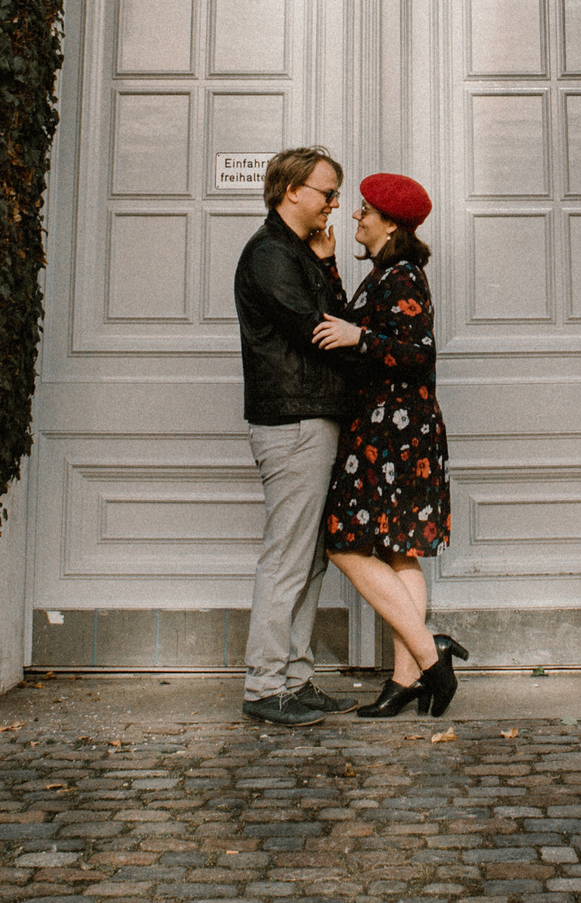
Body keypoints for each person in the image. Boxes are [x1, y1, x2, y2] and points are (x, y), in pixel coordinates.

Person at [310, 172, 465, 717]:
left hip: (394, 432)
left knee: (344, 544)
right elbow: (348, 325)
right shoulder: (384, 275)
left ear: (390, 222)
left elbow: (419, 353)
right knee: (397, 549)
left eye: (365, 211)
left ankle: (428, 655)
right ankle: (407, 679)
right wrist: (330, 266)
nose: (355, 216)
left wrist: (362, 339)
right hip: (390, 430)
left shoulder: (402, 277)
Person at [234, 145, 361, 726]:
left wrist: (329, 264)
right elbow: (321, 331)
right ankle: (264, 687)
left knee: (309, 560)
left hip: (311, 417)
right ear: (292, 191)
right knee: (288, 557)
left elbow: (331, 317)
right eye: (328, 192)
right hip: (293, 421)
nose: (335, 203)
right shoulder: (269, 255)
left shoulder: (299, 253)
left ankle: (296, 678)